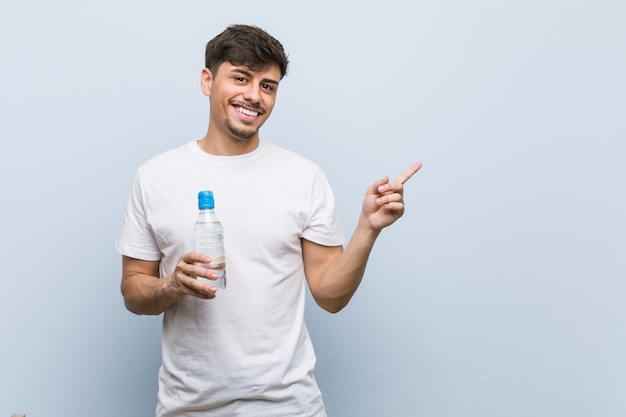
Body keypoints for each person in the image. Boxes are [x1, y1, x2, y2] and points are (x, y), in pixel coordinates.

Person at [116, 24, 421, 417]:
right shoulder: (155, 176)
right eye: (241, 78)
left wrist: (368, 228)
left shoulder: (303, 176)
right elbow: (133, 291)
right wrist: (171, 285)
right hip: (188, 408)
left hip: (289, 407)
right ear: (207, 81)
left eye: (268, 85)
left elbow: (330, 296)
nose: (253, 96)